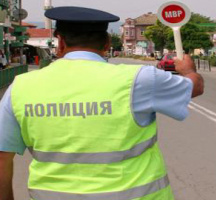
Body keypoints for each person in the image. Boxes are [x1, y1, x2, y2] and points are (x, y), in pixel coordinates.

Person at [0, 6, 204, 200]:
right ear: (107, 43)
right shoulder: (139, 79)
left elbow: (2, 159)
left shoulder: (21, 87)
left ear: (60, 43)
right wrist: (188, 71)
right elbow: (193, 88)